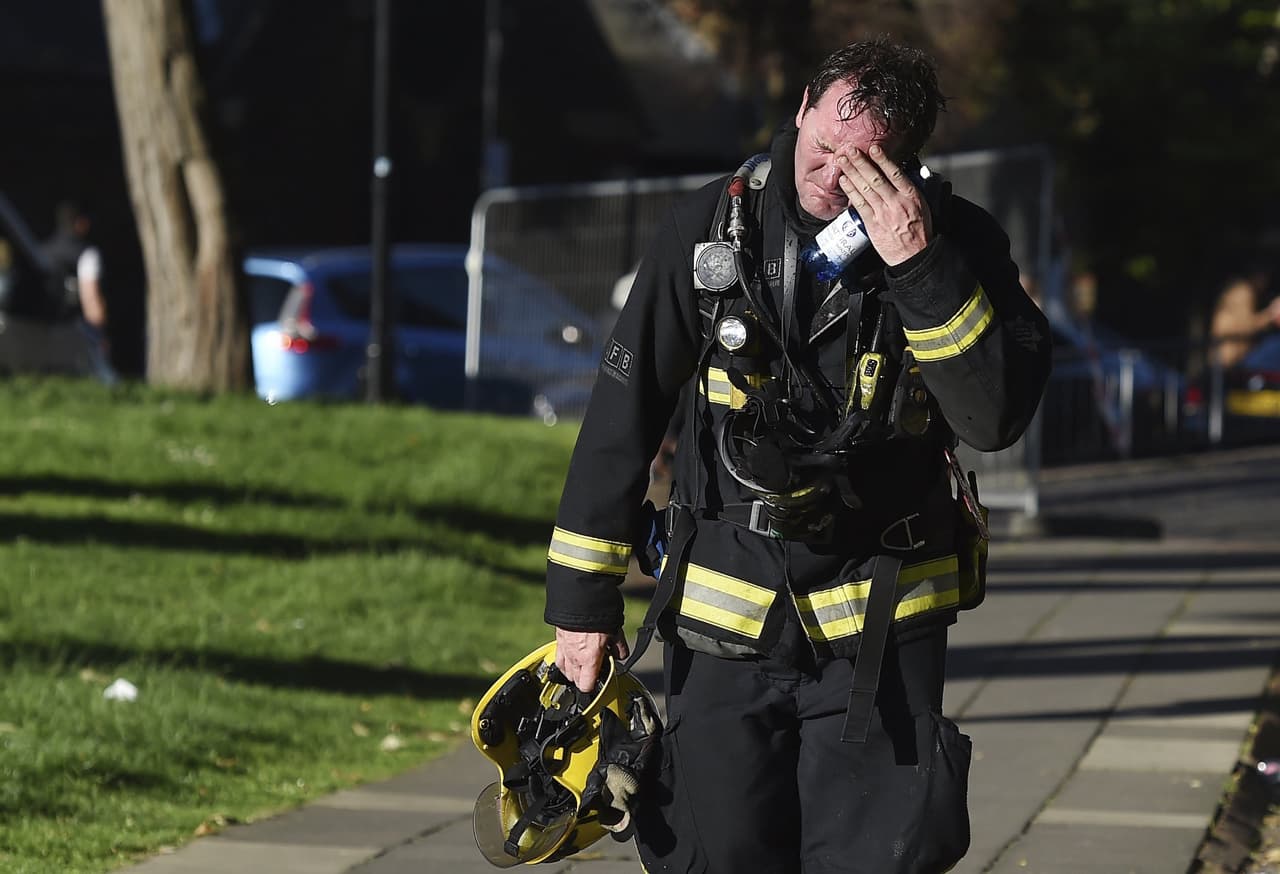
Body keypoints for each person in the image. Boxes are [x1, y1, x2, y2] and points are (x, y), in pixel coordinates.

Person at [544, 38, 1050, 874]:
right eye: (821, 150)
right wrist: (581, 607)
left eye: (863, 168)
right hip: (723, 626)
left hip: (880, 634)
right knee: (712, 854)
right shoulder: (709, 231)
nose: (828, 179)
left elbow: (994, 418)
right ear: (805, 108)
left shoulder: (957, 246)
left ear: (906, 162)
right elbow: (618, 420)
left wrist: (921, 269)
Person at [40, 200, 116, 382]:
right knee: (105, 381)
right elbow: (90, 297)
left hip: (42, 328)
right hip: (75, 329)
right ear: (81, 223)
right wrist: (99, 335)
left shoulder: (43, 251)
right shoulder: (86, 254)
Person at [1209, 270, 1280, 369]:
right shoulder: (1243, 291)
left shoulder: (1239, 290)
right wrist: (1271, 314)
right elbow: (1247, 327)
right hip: (1231, 360)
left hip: (1230, 358)